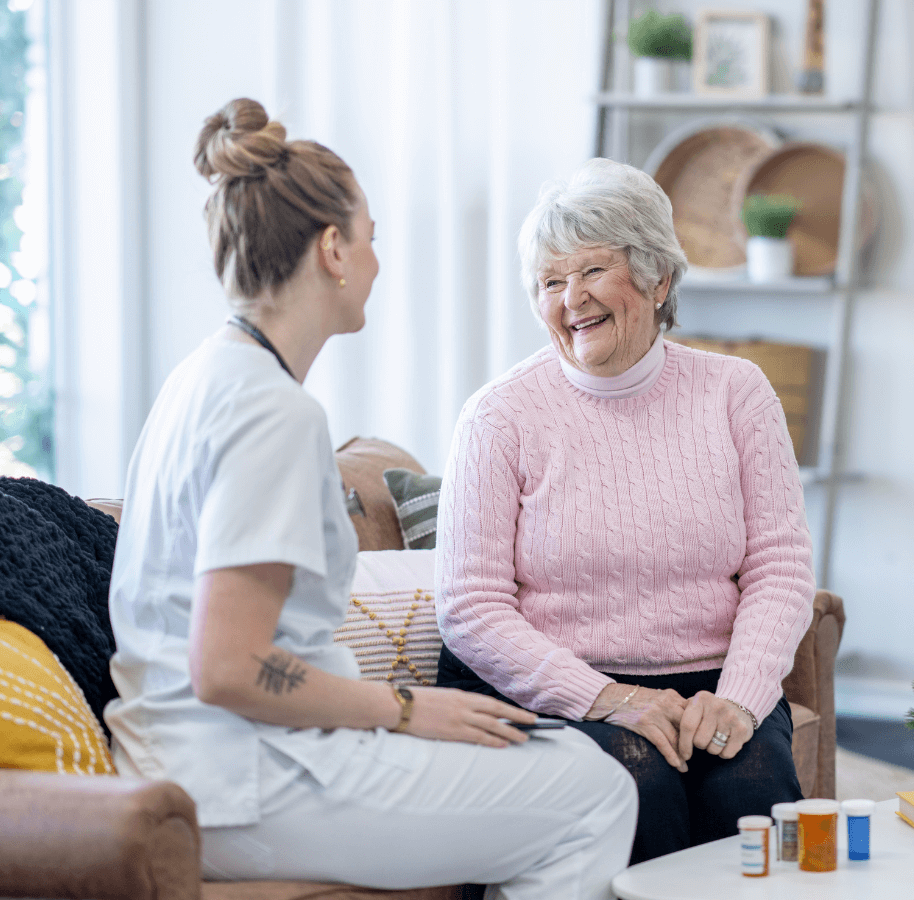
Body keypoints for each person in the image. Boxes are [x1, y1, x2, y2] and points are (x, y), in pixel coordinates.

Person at [104, 99, 636, 898]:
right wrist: (406, 709)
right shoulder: (270, 412)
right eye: (371, 240)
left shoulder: (202, 378)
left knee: (556, 759)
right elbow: (226, 668)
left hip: (206, 759)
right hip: (247, 779)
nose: (378, 263)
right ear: (332, 251)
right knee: (594, 792)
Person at [434, 158, 816, 865]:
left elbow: (781, 566)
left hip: (711, 682)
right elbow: (469, 606)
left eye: (591, 272)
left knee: (752, 789)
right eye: (551, 281)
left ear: (657, 276)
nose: (570, 298)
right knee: (639, 785)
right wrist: (607, 698)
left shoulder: (737, 392)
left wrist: (738, 698)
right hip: (559, 689)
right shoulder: (500, 416)